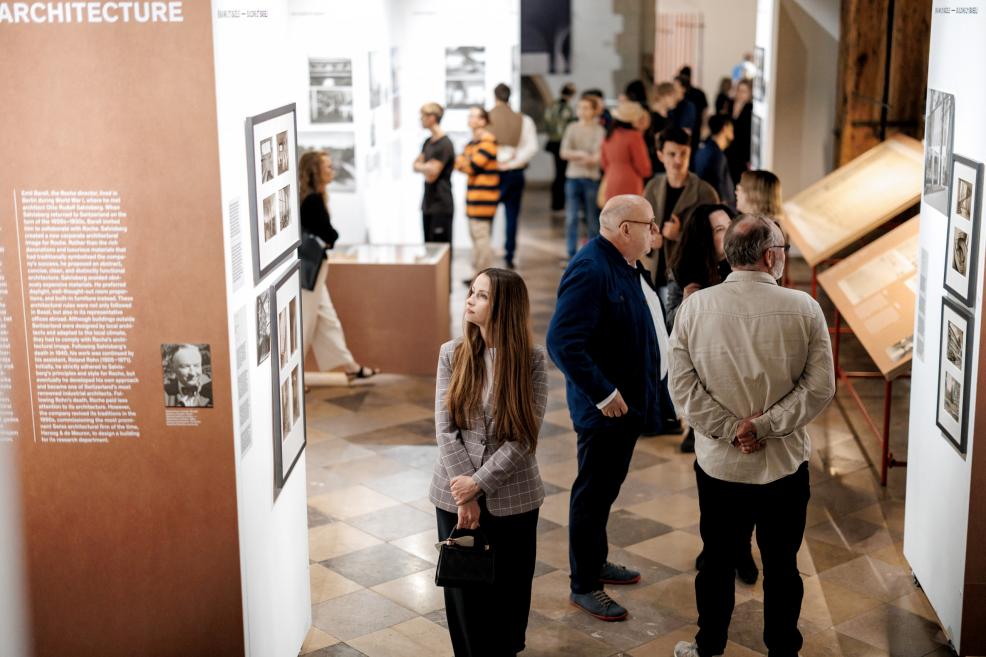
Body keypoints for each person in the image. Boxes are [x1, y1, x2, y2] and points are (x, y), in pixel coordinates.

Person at [669, 215, 835, 657]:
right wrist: (763, 427)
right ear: (769, 256)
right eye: (781, 248)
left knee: (717, 563)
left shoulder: (695, 307)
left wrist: (731, 430)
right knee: (783, 567)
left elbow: (681, 387)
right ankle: (783, 650)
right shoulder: (804, 308)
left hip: (721, 466)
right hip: (783, 465)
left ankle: (709, 647)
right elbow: (819, 387)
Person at [547, 195, 666, 622]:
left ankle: (595, 562)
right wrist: (603, 393)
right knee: (593, 494)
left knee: (605, 490)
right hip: (606, 411)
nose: (655, 232)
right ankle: (584, 585)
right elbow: (561, 342)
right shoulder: (592, 268)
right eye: (649, 224)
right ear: (625, 229)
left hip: (626, 405)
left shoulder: (625, 263)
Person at [431, 268, 548, 657]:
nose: (470, 300)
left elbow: (523, 439)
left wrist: (478, 484)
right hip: (453, 495)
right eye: (471, 292)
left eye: (481, 296)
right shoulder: (452, 353)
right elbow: (445, 428)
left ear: (505, 308)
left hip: (513, 498)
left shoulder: (531, 362)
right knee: (464, 597)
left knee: (510, 594)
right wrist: (465, 494)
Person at [298, 151, 379, 380]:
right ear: (316, 171)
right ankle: (295, 377)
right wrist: (330, 237)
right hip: (311, 270)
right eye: (327, 166)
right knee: (306, 324)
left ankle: (351, 367)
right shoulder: (313, 200)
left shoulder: (312, 197)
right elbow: (331, 234)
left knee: (328, 320)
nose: (332, 170)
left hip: (314, 270)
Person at [666, 204, 736, 456]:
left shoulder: (744, 265)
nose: (729, 234)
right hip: (701, 355)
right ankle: (697, 429)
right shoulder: (683, 268)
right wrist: (686, 304)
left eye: (730, 226)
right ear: (704, 237)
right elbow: (670, 320)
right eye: (720, 230)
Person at [641, 127, 718, 294]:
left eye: (683, 153)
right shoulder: (652, 187)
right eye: (672, 154)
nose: (678, 160)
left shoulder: (706, 193)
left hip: (688, 281)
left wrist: (679, 235)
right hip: (655, 275)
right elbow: (641, 228)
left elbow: (715, 242)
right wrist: (649, 240)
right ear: (660, 155)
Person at [488, 83, 538, 269]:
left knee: (488, 215)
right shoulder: (524, 120)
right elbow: (531, 147)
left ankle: (487, 253)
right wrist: (513, 162)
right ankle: (509, 254)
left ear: (495, 96)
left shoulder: (487, 117)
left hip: (492, 172)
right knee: (512, 215)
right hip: (514, 171)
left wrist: (497, 161)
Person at [454, 106, 500, 284]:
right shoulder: (472, 143)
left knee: (482, 240)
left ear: (483, 121)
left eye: (474, 116)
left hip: (484, 199)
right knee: (476, 239)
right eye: (469, 115)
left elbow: (470, 167)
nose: (470, 119)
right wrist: (463, 162)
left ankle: (485, 278)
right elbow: (460, 163)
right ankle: (478, 276)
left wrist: (463, 162)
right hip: (473, 198)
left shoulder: (488, 143)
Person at [560, 95, 605, 260]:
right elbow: (563, 152)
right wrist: (581, 154)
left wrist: (576, 155)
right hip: (572, 177)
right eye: (579, 107)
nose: (582, 111)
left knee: (592, 218)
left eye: (586, 108)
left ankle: (593, 254)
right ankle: (571, 254)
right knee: (571, 217)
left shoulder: (599, 130)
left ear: (594, 110)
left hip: (591, 178)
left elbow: (596, 158)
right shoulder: (571, 127)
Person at [413, 102, 455, 246]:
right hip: (428, 204)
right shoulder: (427, 142)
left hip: (441, 205)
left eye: (422, 116)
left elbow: (432, 176)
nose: (420, 119)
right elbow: (414, 165)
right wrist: (426, 167)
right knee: (429, 248)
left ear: (432, 118)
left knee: (440, 250)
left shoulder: (444, 144)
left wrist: (422, 167)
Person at [599, 101, 652, 202]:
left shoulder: (609, 135)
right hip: (630, 180)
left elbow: (603, 162)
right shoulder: (634, 136)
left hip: (611, 178)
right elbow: (643, 167)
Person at [544, 82, 577, 220]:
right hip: (561, 143)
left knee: (558, 173)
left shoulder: (552, 106)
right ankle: (559, 204)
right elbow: (568, 127)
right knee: (561, 174)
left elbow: (547, 122)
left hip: (553, 142)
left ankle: (556, 204)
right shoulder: (567, 109)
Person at [692, 115, 735, 208]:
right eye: (731, 128)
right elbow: (719, 186)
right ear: (725, 128)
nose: (733, 131)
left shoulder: (703, 149)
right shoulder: (717, 155)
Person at [726, 79, 753, 184]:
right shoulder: (730, 105)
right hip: (729, 148)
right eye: (739, 90)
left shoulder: (750, 109)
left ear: (749, 93)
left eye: (744, 91)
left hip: (742, 151)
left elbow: (747, 132)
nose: (741, 94)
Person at [677, 67, 708, 150]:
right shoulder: (699, 93)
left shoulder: (685, 98)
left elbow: (705, 111)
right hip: (696, 127)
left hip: (692, 128)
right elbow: (705, 112)